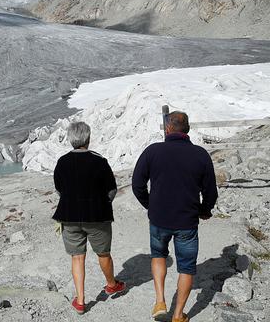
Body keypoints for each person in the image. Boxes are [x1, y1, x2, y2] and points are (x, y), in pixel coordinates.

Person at [132, 111, 218, 322]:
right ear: (187, 130)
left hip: (159, 219)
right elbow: (210, 191)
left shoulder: (152, 151)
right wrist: (204, 210)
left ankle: (160, 301)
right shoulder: (200, 155)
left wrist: (150, 205)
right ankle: (178, 315)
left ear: (167, 128)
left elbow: (137, 184)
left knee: (158, 255)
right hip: (187, 221)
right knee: (187, 267)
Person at [53, 121, 125, 315]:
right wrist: (103, 203)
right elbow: (111, 189)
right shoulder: (99, 161)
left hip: (69, 216)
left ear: (71, 139)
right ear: (88, 138)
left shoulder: (62, 161)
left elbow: (59, 188)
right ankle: (111, 285)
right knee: (103, 253)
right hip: (97, 216)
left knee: (77, 257)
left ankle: (81, 300)